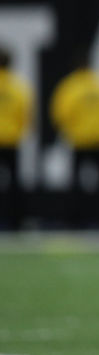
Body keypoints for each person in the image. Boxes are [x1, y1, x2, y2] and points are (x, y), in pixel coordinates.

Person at [50, 50, 99, 228]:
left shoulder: (70, 87)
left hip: (79, 140)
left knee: (76, 184)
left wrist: (73, 130)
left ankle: (75, 220)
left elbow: (60, 114)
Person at [0, 47, 33, 230]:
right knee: (14, 184)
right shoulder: (17, 88)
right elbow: (25, 114)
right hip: (11, 141)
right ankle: (16, 222)